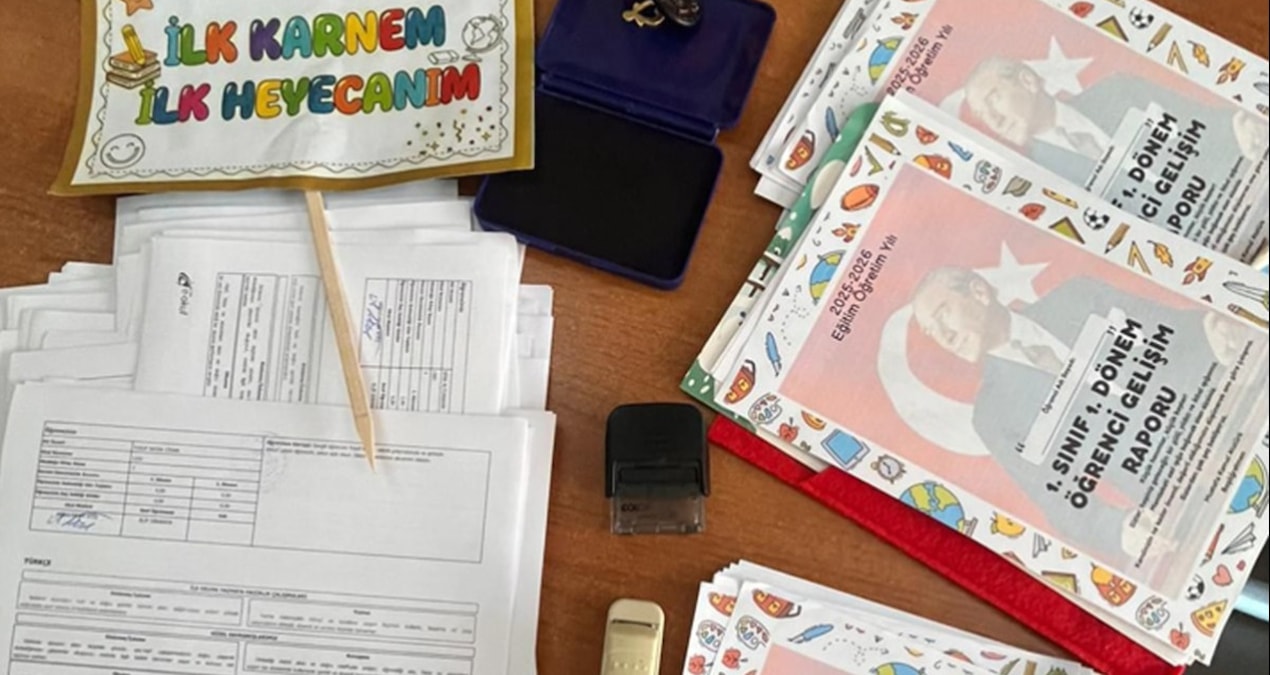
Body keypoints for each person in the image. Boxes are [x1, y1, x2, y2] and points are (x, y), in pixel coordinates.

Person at [909, 266, 1248, 564]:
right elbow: (1060, 501)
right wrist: (1121, 530)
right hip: (1194, 497)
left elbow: (1173, 331)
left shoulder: (1078, 296)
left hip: (1235, 417)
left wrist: (1209, 330)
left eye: (943, 315)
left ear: (979, 292)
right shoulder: (993, 416)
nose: (944, 337)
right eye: (932, 332)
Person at [962, 57, 1266, 185]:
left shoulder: (1118, 90)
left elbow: (1203, 122)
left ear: (1027, 81)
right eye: (983, 115)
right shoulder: (1042, 179)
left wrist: (1239, 127)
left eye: (993, 99)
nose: (993, 120)